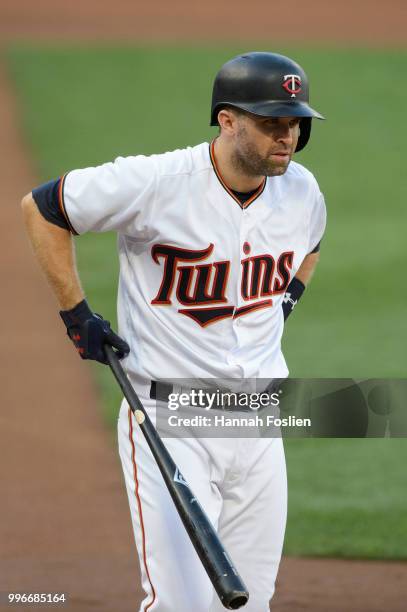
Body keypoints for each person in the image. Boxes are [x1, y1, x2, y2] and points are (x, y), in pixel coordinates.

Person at [21, 51, 326, 611]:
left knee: (250, 605)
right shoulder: (156, 181)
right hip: (170, 421)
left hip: (259, 425)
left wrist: (281, 306)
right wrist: (76, 316)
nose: (287, 137)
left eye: (295, 123)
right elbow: (43, 209)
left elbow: (308, 247)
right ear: (227, 120)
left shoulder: (302, 191)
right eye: (271, 123)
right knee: (180, 604)